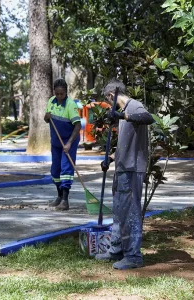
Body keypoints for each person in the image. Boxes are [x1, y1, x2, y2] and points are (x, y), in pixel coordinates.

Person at [95, 79, 154, 270]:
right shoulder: (123, 114)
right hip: (122, 168)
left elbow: (148, 117)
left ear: (111, 96)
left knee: (130, 213)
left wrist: (122, 116)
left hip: (132, 169)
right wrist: (110, 159)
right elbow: (125, 145)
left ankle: (133, 256)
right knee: (120, 213)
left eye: (108, 100)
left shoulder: (134, 106)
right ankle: (116, 249)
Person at [44, 78, 81, 211]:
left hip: (68, 141)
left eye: (62, 94)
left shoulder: (71, 105)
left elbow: (78, 125)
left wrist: (69, 143)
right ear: (54, 92)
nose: (59, 96)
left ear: (66, 92)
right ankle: (59, 196)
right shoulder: (51, 101)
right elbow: (47, 118)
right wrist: (47, 117)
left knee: (66, 170)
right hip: (56, 141)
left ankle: (65, 201)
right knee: (55, 170)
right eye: (57, 94)